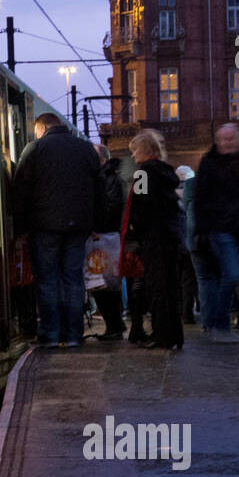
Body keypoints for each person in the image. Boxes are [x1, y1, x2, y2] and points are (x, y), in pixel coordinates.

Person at [14, 112, 103, 348]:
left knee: (47, 281)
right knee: (73, 279)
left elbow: (20, 190)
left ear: (42, 127)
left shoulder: (35, 149)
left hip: (43, 227)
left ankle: (50, 335)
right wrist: (95, 224)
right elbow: (100, 188)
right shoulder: (86, 150)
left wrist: (20, 228)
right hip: (78, 228)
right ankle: (73, 335)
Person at [194, 123, 239, 342]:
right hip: (220, 227)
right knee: (232, 274)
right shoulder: (209, 163)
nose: (228, 143)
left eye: (232, 138)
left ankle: (219, 325)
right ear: (218, 141)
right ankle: (219, 325)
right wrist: (203, 229)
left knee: (230, 275)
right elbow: (200, 197)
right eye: (224, 139)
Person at [125, 129, 184, 350]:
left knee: (157, 287)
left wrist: (135, 228)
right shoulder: (166, 172)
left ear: (145, 149)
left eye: (134, 151)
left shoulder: (142, 173)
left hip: (152, 237)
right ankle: (175, 335)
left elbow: (140, 205)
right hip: (169, 236)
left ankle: (162, 336)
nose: (132, 156)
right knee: (170, 286)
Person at [90, 144, 127, 341]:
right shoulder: (108, 178)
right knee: (103, 282)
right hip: (106, 235)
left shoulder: (108, 179)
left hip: (105, 236)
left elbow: (110, 207)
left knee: (104, 282)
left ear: (102, 159)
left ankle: (114, 325)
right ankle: (114, 325)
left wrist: (97, 226)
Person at [176, 165, 200, 325]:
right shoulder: (196, 193)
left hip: (176, 240)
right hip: (191, 240)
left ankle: (179, 311)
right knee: (190, 279)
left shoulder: (171, 193)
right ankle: (188, 313)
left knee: (178, 278)